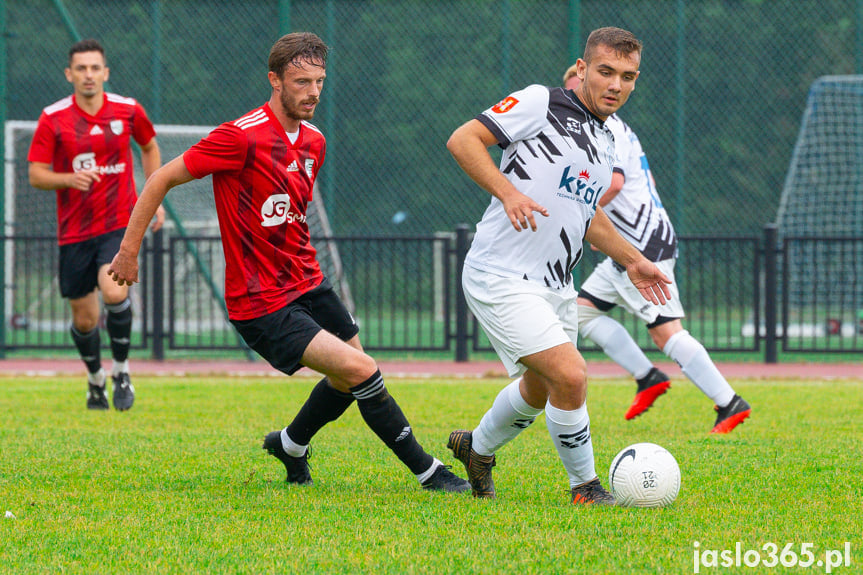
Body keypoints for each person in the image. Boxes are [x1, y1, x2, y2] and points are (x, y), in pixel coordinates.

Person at [107, 32, 469, 493]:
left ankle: (291, 444)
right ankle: (429, 472)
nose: (313, 91)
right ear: (274, 80)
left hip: (309, 283)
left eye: (319, 80)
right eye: (301, 81)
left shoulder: (314, 141)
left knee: (348, 374)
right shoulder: (240, 137)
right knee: (363, 371)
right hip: (262, 300)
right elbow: (159, 178)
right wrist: (128, 250)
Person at [445, 27, 672, 505]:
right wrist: (508, 191)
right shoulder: (539, 102)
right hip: (500, 274)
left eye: (628, 77)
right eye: (606, 72)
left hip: (555, 284)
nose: (616, 85)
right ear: (582, 69)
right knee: (570, 375)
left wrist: (634, 259)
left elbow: (587, 214)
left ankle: (476, 449)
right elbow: (463, 139)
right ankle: (586, 488)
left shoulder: (607, 137)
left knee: (540, 388)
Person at [562, 66, 752, 434]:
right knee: (582, 312)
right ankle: (648, 377)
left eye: (577, 91)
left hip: (643, 242)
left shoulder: (608, 127)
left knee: (665, 331)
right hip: (630, 242)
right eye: (568, 93)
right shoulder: (595, 127)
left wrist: (576, 211)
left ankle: (729, 402)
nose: (571, 101)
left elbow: (614, 183)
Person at [28, 38, 165, 412]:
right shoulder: (52, 117)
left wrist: (153, 201)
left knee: (115, 292)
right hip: (74, 233)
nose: (88, 75)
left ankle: (122, 370)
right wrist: (68, 179)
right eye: (81, 69)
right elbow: (36, 175)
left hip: (118, 223)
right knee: (85, 320)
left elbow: (150, 147)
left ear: (105, 72)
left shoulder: (128, 110)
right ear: (69, 74)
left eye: (95, 68)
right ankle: (95, 380)